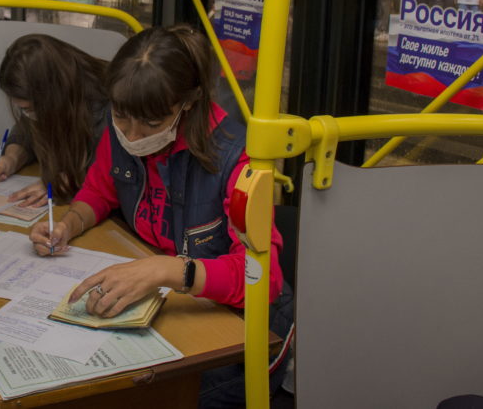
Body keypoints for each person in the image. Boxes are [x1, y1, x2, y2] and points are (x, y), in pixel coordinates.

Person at [28, 25, 291, 405]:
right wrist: (69, 223)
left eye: (151, 124)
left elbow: (262, 281)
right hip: (172, 309)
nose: (132, 136)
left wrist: (171, 270)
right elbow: (100, 190)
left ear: (188, 102)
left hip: (241, 335)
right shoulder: (119, 130)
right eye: (121, 117)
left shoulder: (240, 160)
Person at [0, 34, 108, 207]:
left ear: (53, 96)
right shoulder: (52, 96)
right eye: (23, 110)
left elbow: (108, 174)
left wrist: (63, 184)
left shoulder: (111, 107)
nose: (29, 115)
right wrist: (11, 159)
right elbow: (27, 131)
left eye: (30, 109)